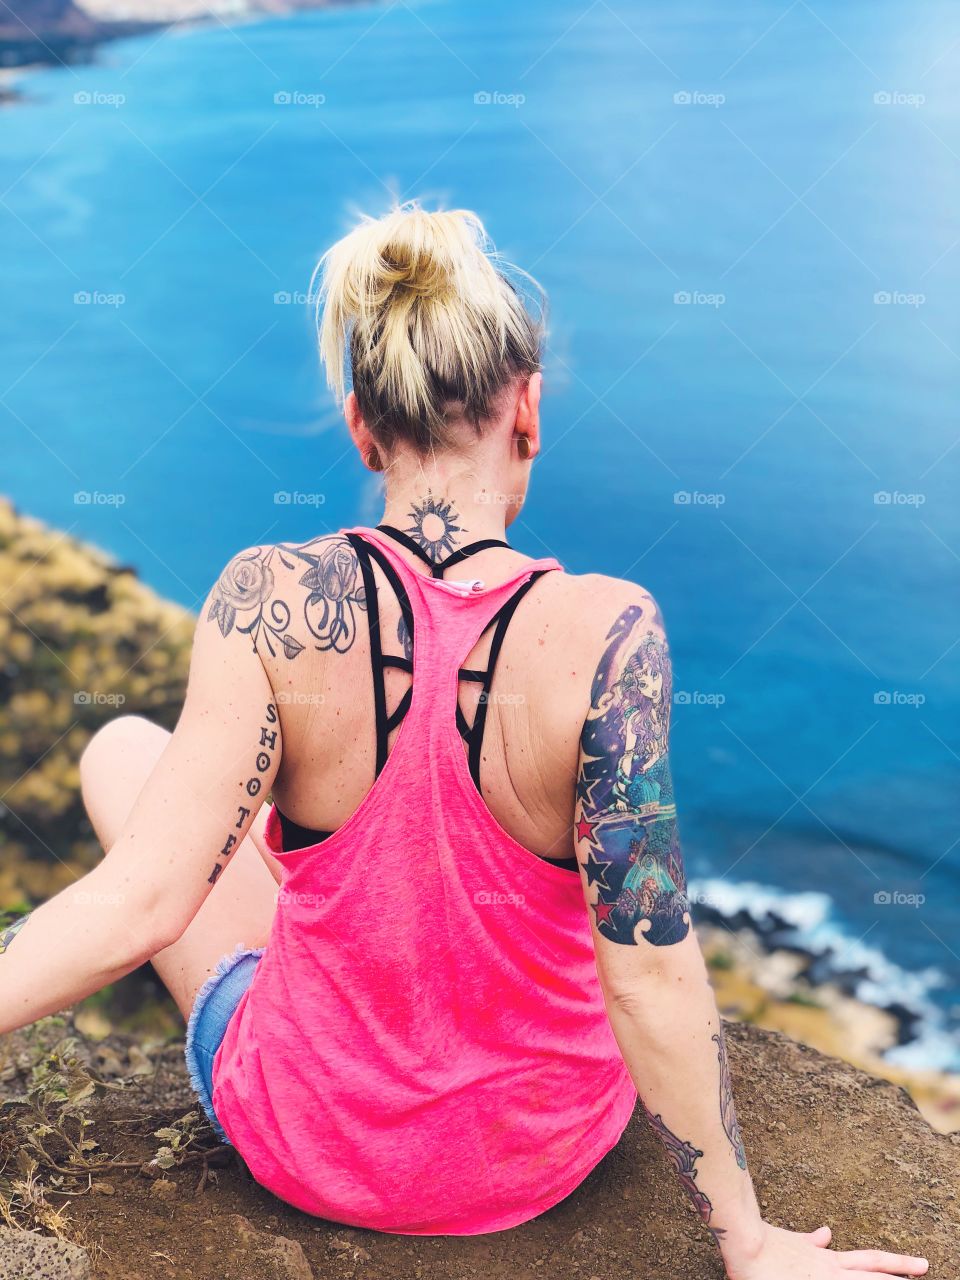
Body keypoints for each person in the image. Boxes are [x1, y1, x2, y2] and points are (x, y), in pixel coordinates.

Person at [0, 203, 928, 1279]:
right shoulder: (610, 632)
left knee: (121, 747)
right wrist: (748, 1241)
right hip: (540, 1153)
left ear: (360, 423)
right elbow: (651, 972)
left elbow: (141, 905)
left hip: (312, 1148)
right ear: (526, 407)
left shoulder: (266, 597)